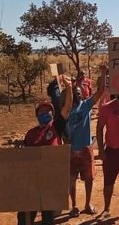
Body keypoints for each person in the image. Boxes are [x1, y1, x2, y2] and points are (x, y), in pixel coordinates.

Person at [18, 76, 73, 225]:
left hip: (50, 179)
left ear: (52, 114)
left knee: (48, 217)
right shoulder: (30, 133)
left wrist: (69, 88)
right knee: (24, 216)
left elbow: (67, 107)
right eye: (41, 112)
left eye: (47, 111)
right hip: (32, 180)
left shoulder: (56, 126)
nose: (44, 113)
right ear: (37, 116)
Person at [66, 66, 106, 218]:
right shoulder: (66, 109)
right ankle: (74, 205)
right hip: (70, 149)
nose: (77, 95)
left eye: (78, 93)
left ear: (81, 94)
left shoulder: (87, 105)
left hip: (85, 148)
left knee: (89, 178)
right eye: (74, 93)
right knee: (71, 179)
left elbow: (100, 92)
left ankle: (87, 203)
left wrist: (103, 74)